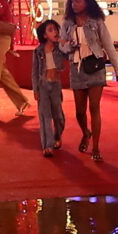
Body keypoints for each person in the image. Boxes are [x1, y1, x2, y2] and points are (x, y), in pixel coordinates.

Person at [63, 0, 114, 160]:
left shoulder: (96, 21)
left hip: (95, 67)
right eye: (72, 1)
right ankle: (86, 132)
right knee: (79, 111)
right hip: (77, 68)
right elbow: (61, 46)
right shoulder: (67, 23)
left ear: (86, 2)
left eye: (78, 1)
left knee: (94, 107)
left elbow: (108, 44)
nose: (74, 4)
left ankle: (96, 148)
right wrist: (69, 46)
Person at [31, 18, 71, 155]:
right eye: (50, 30)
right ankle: (47, 146)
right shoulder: (38, 51)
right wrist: (35, 89)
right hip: (43, 85)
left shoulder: (60, 49)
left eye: (55, 29)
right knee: (45, 116)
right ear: (44, 35)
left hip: (55, 85)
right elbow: (34, 72)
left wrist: (64, 43)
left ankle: (57, 136)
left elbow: (69, 53)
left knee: (58, 116)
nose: (54, 32)